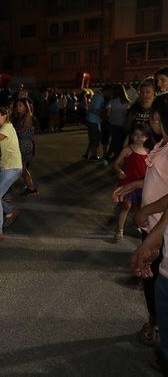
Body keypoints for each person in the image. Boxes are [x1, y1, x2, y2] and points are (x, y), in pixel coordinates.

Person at [116, 99, 168, 357]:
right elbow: (153, 178)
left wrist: (146, 210)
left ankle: (159, 326)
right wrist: (134, 186)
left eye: (156, 118)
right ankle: (155, 320)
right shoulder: (160, 144)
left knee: (159, 280)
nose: (153, 122)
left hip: (162, 227)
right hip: (152, 226)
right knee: (150, 278)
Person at [112, 124, 150, 242]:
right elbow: (116, 163)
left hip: (142, 184)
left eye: (142, 135)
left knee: (138, 207)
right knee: (126, 206)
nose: (138, 138)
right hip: (128, 183)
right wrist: (119, 170)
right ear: (132, 136)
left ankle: (136, 225)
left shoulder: (148, 151)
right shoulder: (128, 150)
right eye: (136, 135)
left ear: (147, 137)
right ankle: (119, 230)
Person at [0, 107, 23, 240]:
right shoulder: (1, 127)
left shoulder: (7, 127)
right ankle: (10, 210)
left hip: (12, 168)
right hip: (8, 167)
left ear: (5, 116)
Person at [13, 98, 38, 196]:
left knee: (22, 167)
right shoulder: (21, 116)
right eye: (17, 105)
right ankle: (29, 186)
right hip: (22, 143)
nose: (18, 108)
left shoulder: (28, 116)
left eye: (21, 105)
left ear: (26, 107)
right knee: (22, 167)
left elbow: (21, 130)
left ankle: (31, 188)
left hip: (25, 144)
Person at [106, 84, 131, 160]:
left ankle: (110, 156)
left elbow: (108, 114)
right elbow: (128, 115)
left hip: (113, 123)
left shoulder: (111, 102)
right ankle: (116, 157)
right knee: (120, 142)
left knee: (114, 141)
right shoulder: (127, 102)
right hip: (123, 124)